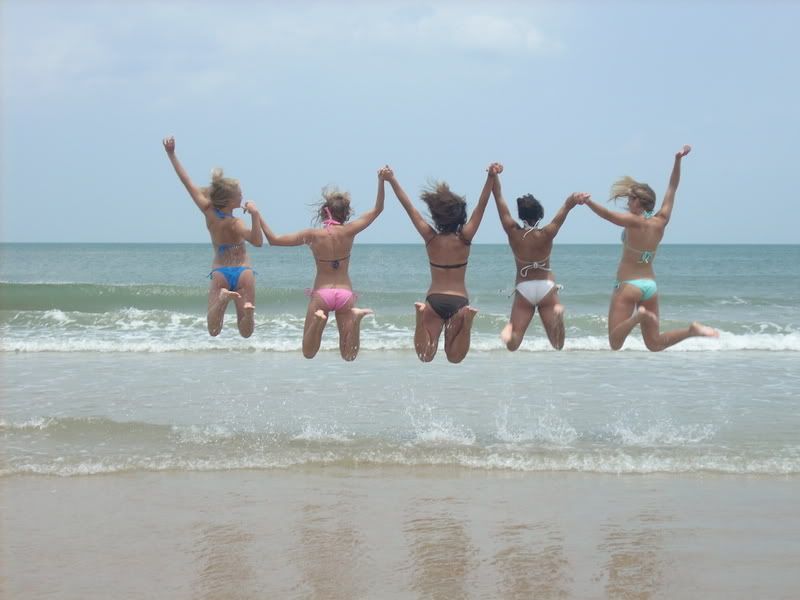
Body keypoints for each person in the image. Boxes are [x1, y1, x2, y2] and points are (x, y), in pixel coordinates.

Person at [582, 144, 718, 350]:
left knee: (615, 342)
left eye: (630, 199)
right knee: (654, 344)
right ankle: (691, 331)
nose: (628, 202)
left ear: (639, 203)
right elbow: (672, 187)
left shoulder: (633, 221)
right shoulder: (661, 220)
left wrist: (587, 202)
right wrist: (678, 160)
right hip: (650, 287)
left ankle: (638, 318)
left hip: (628, 285)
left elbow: (608, 216)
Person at [259, 168, 388, 360]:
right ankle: (357, 319)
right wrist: (381, 181)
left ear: (324, 212)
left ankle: (319, 322)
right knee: (349, 355)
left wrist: (256, 214)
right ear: (345, 214)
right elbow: (378, 209)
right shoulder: (349, 231)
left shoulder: (312, 235)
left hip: (322, 294)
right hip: (345, 294)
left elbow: (274, 239)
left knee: (308, 352)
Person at [384, 165, 496, 363]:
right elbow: (482, 205)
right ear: (461, 215)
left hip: (433, 300)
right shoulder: (465, 238)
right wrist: (491, 177)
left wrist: (392, 179)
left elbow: (409, 207)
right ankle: (467, 323)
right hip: (459, 301)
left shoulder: (431, 239)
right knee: (454, 357)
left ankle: (420, 319)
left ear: (436, 217)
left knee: (425, 355)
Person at [162, 136, 262, 337]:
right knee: (246, 332)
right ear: (230, 200)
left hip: (220, 271)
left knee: (213, 329)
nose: (242, 196)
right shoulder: (236, 223)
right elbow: (258, 241)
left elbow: (186, 181)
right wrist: (255, 215)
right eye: (239, 194)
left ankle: (223, 298)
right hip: (243, 270)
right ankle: (249, 315)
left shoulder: (208, 211)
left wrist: (171, 154)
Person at [491, 163, 587, 350]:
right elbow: (566, 207)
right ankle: (558, 316)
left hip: (524, 289)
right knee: (558, 344)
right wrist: (576, 198)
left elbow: (499, 198)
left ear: (520, 215)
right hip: (546, 289)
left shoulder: (512, 232)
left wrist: (494, 176)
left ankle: (509, 330)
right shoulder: (547, 233)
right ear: (540, 214)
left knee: (513, 344)